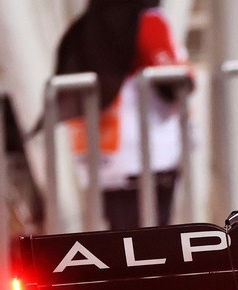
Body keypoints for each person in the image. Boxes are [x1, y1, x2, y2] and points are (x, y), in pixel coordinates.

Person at [55, 0, 187, 231]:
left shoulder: (86, 23)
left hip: (101, 161)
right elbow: (171, 83)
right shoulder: (147, 20)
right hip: (148, 156)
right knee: (153, 243)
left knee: (122, 241)